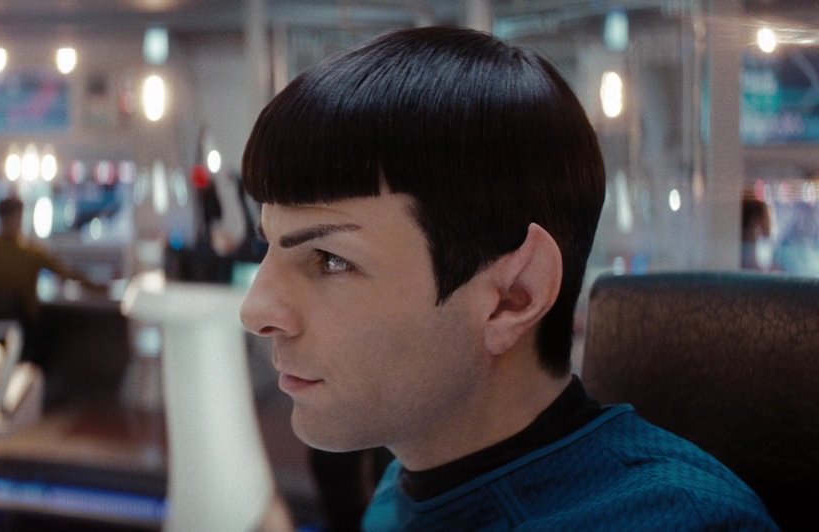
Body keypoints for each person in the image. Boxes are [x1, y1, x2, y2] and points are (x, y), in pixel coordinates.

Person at [238, 27, 778, 530]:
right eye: (268, 247)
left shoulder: (676, 521)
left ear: (513, 297)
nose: (256, 310)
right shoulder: (406, 483)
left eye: (330, 259)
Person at [0, 196, 105, 364]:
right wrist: (99, 288)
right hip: (23, 329)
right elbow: (67, 273)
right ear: (18, 218)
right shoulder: (29, 252)